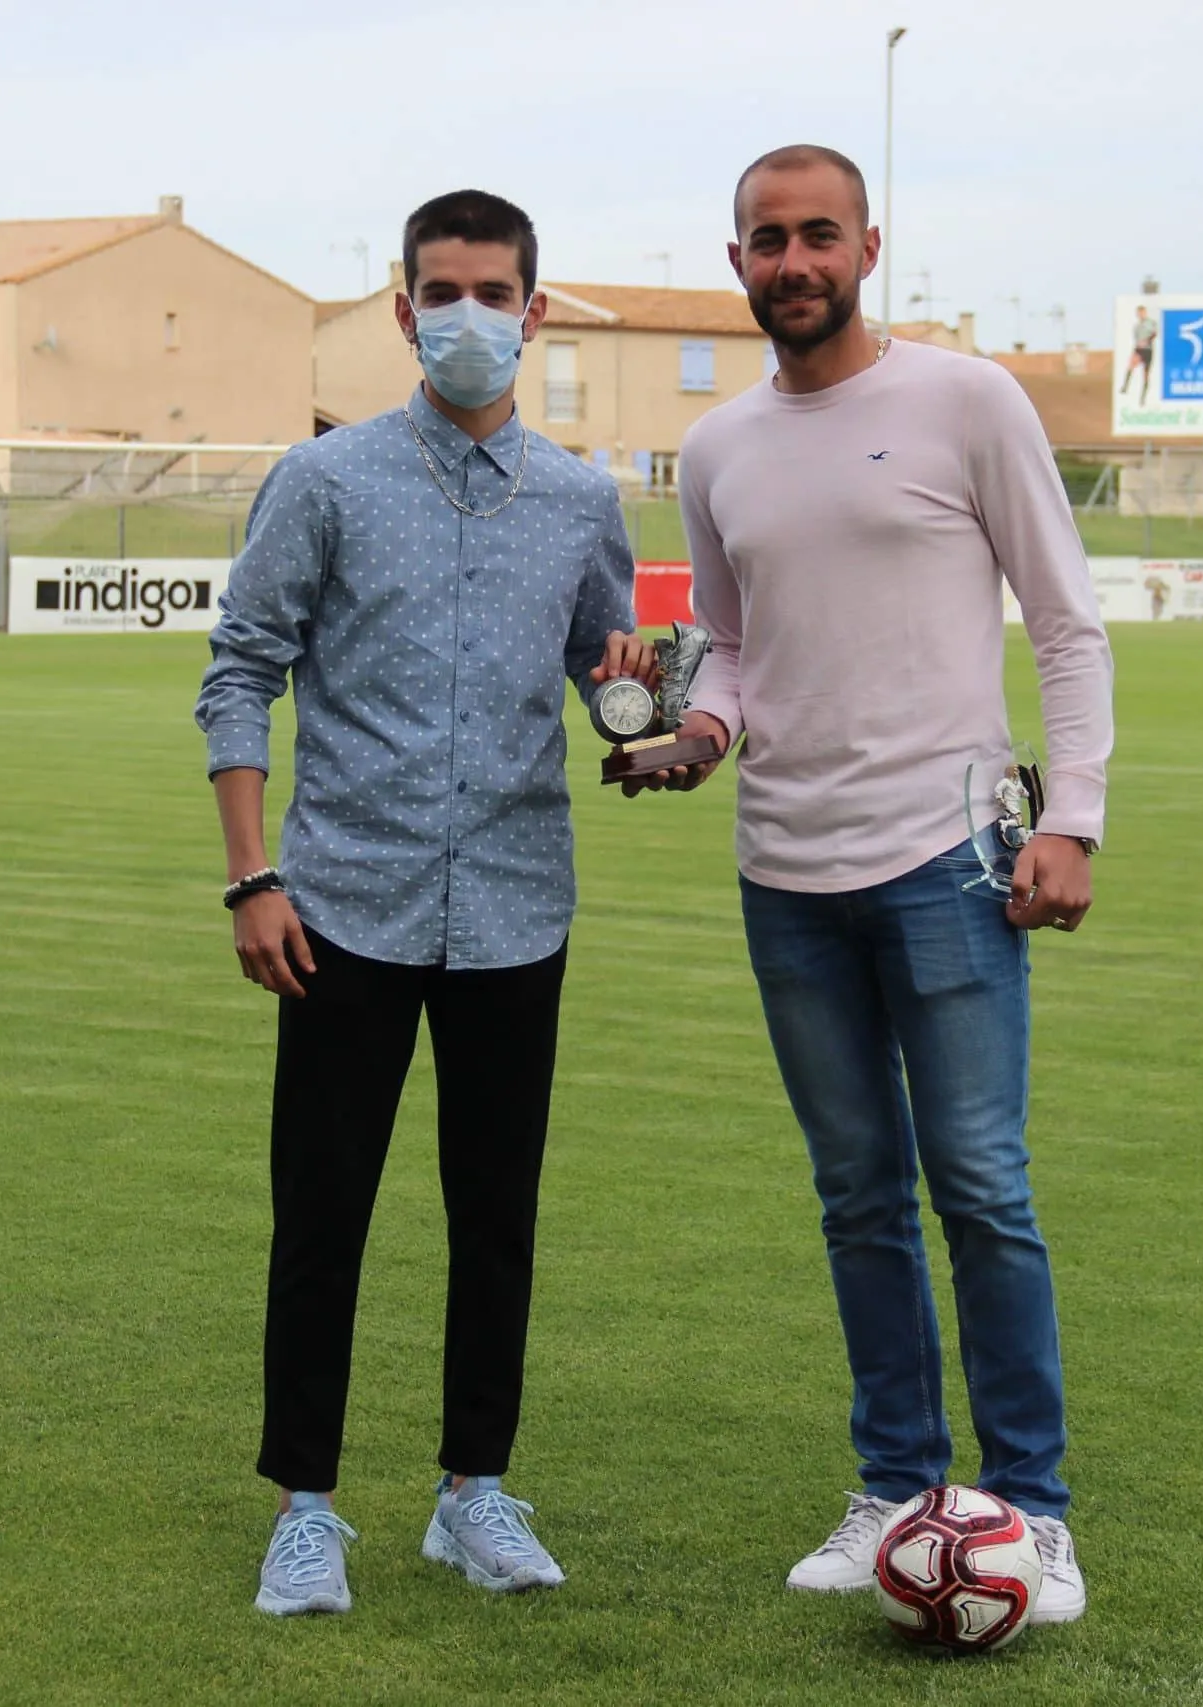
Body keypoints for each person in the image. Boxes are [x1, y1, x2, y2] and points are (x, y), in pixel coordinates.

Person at [629, 143, 1113, 1626]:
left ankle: (1031, 1511)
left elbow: (1068, 624)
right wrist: (697, 730)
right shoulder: (718, 450)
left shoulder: (969, 401)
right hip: (784, 869)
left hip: (951, 858)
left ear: (868, 246)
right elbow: (725, 643)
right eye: (767, 240)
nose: (793, 261)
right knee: (856, 1195)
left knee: (980, 1184)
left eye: (817, 234)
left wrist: (1074, 817)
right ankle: (896, 1486)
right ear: (738, 263)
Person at [196, 188, 655, 1618]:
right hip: (343, 903)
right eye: (440, 290)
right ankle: (306, 1507)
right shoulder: (322, 484)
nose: (468, 315)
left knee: (496, 1211)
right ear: (403, 308)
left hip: (520, 904)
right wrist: (252, 872)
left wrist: (647, 718)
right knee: (321, 1210)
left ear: (535, 304)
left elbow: (601, 667)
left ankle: (474, 1492)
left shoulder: (582, 499)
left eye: (493, 290)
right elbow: (240, 667)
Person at [1122, 305, 1156, 400]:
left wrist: (1147, 341)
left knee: (1145, 374)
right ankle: (1125, 387)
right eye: (1139, 313)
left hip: (1148, 350)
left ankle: (1143, 397)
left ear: (1145, 313)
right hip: (1139, 349)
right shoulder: (1136, 326)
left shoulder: (1150, 323)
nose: (1140, 314)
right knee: (1131, 365)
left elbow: (1154, 334)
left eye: (1142, 312)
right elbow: (1136, 338)